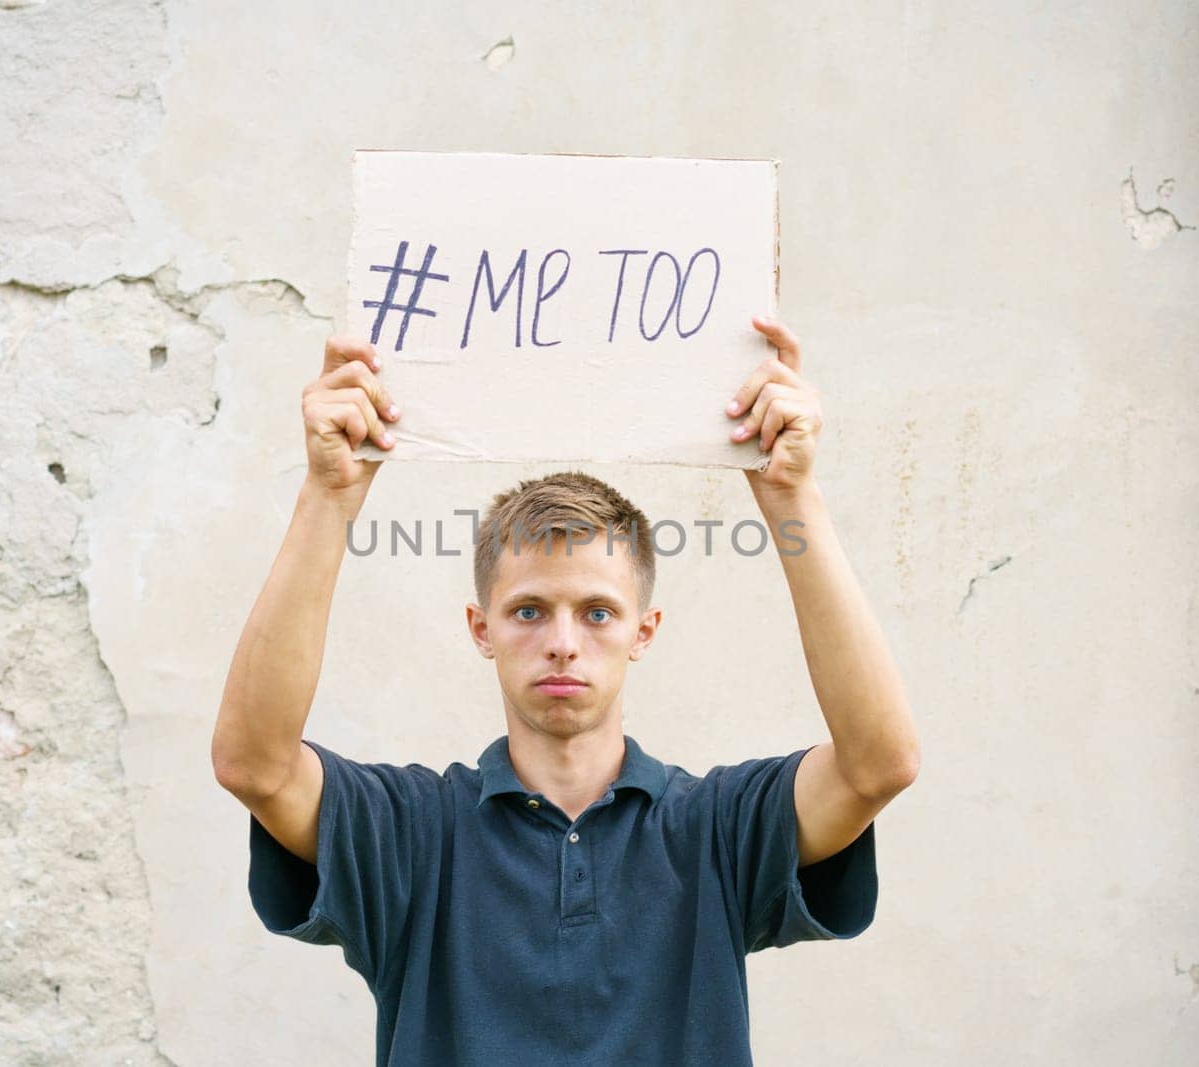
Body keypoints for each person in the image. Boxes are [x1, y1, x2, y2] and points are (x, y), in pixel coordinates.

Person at [211, 315, 920, 1066]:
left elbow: (879, 764)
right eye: (528, 610)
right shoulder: (412, 834)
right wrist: (327, 497)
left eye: (598, 612)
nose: (561, 639)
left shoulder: (715, 829)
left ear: (643, 631)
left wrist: (790, 495)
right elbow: (254, 765)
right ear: (480, 628)